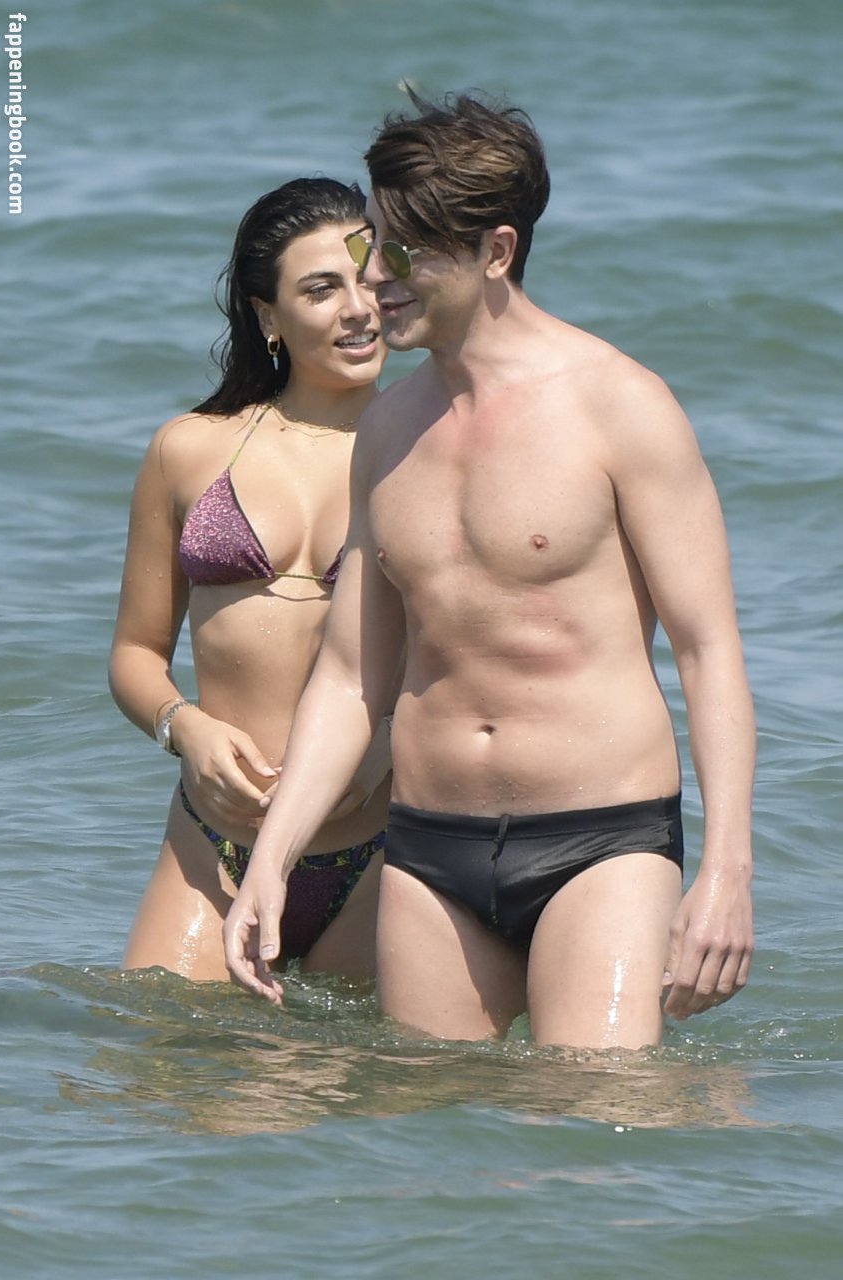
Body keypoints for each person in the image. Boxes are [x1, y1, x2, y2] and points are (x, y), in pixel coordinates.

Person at [223, 92, 755, 1050]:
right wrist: (273, 856)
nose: (373, 278)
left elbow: (708, 649)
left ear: (496, 251)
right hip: (429, 854)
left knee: (596, 1113)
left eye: (404, 252)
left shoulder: (620, 407)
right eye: (370, 243)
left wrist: (726, 871)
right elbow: (349, 676)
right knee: (428, 1126)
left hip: (602, 838)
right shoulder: (390, 430)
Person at [109, 177, 393, 984]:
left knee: (350, 1067)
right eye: (321, 289)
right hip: (212, 846)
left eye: (368, 280)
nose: (358, 309)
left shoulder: (428, 450)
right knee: (161, 1053)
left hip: (377, 851)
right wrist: (185, 729)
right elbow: (134, 653)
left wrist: (387, 745)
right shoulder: (190, 449)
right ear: (269, 316)